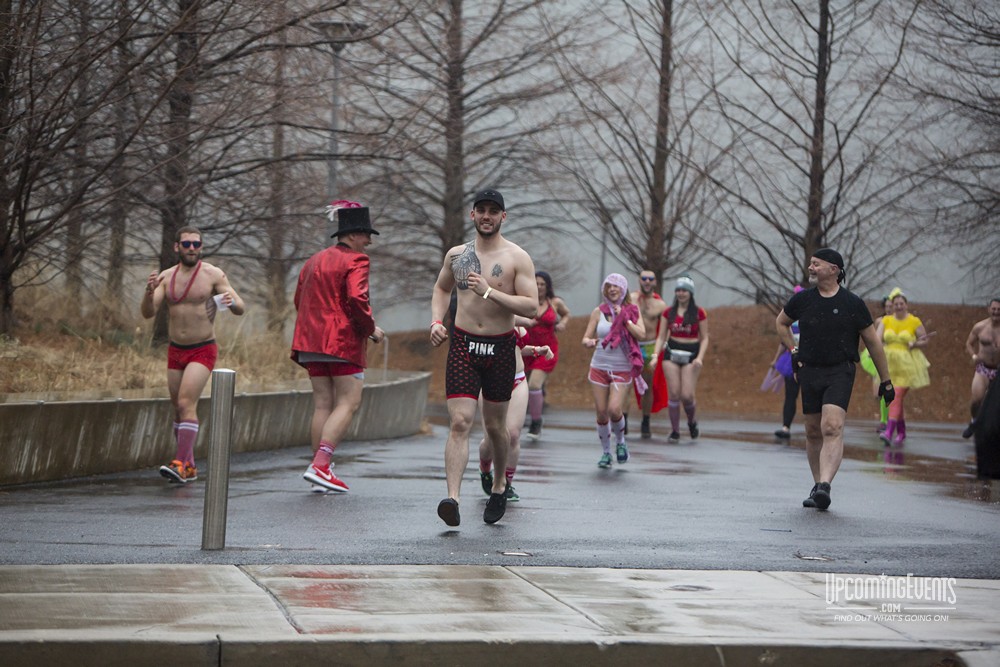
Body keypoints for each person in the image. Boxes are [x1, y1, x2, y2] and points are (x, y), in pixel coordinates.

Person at [429, 189, 538, 527]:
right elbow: (442, 289)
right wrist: (436, 320)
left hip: (500, 347)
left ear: (503, 217)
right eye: (481, 211)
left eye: (494, 211)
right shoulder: (457, 255)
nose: (487, 216)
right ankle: (453, 498)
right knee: (460, 422)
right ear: (472, 216)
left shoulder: (516, 257)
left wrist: (489, 291)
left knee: (494, 427)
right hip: (463, 344)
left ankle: (500, 484)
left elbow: (531, 307)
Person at [776, 248, 894, 511]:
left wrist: (886, 381)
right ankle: (818, 485)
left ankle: (826, 485)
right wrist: (793, 351)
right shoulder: (803, 300)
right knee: (812, 430)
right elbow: (781, 323)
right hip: (810, 370)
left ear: (834, 270)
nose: (811, 268)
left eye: (816, 264)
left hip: (840, 370)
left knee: (832, 426)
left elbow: (873, 344)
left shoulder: (853, 304)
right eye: (811, 264)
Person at [291, 201, 385, 493]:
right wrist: (370, 330)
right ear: (355, 234)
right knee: (348, 402)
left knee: (322, 404)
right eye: (366, 235)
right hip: (342, 342)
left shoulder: (313, 260)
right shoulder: (357, 260)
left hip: (309, 341)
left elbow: (298, 299)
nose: (369, 241)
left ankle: (320, 468)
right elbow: (358, 299)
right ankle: (321, 466)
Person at [142, 226, 246, 484]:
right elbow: (147, 313)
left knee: (186, 403)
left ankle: (179, 463)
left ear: (201, 246)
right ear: (176, 247)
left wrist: (231, 302)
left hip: (203, 348)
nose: (192, 249)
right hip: (176, 350)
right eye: (186, 244)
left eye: (196, 244)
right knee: (178, 409)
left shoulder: (212, 274)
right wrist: (148, 292)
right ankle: (188, 466)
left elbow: (240, 307)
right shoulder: (166, 278)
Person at [478, 326, 553, 502]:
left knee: (512, 434)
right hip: (491, 381)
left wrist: (536, 350)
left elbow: (518, 346)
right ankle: (485, 469)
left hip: (517, 380)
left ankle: (506, 483)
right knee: (491, 436)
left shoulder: (514, 319)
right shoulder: (486, 319)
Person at [582, 273, 646, 468]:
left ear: (623, 289)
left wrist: (625, 319)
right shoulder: (598, 312)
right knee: (602, 412)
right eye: (608, 286)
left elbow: (642, 334)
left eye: (616, 286)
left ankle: (620, 443)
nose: (612, 289)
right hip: (599, 365)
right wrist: (589, 342)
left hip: (622, 368)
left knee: (614, 409)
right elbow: (586, 337)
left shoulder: (632, 310)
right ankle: (606, 453)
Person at [649, 275, 709, 443]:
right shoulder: (669, 312)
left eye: (684, 290)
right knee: (674, 393)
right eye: (678, 290)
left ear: (690, 292)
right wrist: (655, 356)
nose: (681, 293)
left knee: (687, 395)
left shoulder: (699, 313)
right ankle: (675, 430)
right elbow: (661, 337)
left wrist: (700, 357)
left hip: (691, 353)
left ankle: (691, 422)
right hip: (672, 352)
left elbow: (705, 337)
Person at [876, 287, 931, 446]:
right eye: (896, 304)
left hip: (908, 364)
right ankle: (901, 432)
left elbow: (925, 340)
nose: (899, 306)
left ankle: (889, 431)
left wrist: (915, 343)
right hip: (889, 363)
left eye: (901, 303)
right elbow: (877, 339)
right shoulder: (886, 321)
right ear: (892, 306)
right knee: (895, 397)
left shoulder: (914, 321)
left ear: (906, 305)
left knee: (896, 395)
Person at [522, 271, 570, 440]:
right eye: (536, 283)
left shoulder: (554, 302)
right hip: (527, 349)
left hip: (547, 350)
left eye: (543, 284)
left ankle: (536, 422)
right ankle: (524, 417)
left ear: (548, 286)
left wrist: (562, 323)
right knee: (523, 386)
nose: (539, 287)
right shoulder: (526, 300)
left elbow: (566, 314)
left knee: (534, 384)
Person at [629, 269, 668, 439]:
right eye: (643, 278)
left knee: (648, 386)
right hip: (632, 345)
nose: (646, 281)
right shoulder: (630, 299)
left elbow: (667, 328)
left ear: (654, 282)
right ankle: (622, 419)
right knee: (625, 384)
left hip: (650, 347)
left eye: (650, 279)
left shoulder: (660, 305)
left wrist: (663, 344)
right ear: (639, 280)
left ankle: (646, 421)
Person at [962, 298, 1000, 438]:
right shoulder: (980, 327)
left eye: (999, 310)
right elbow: (969, 343)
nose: (996, 312)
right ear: (989, 309)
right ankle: (974, 421)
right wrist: (973, 356)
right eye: (994, 309)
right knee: (977, 399)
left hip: (998, 371)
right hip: (983, 369)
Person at [772, 285, 803, 439]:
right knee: (790, 395)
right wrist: (775, 360)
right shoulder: (789, 318)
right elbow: (783, 342)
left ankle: (818, 428)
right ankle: (786, 427)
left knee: (813, 397)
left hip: (811, 361)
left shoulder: (810, 316)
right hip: (791, 359)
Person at [860, 294, 894, 434]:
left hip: (895, 358)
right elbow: (874, 338)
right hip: (881, 355)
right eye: (887, 307)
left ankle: (886, 421)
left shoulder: (900, 320)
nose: (889, 309)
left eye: (891, 306)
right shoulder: (881, 320)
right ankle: (884, 416)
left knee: (889, 387)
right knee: (877, 393)